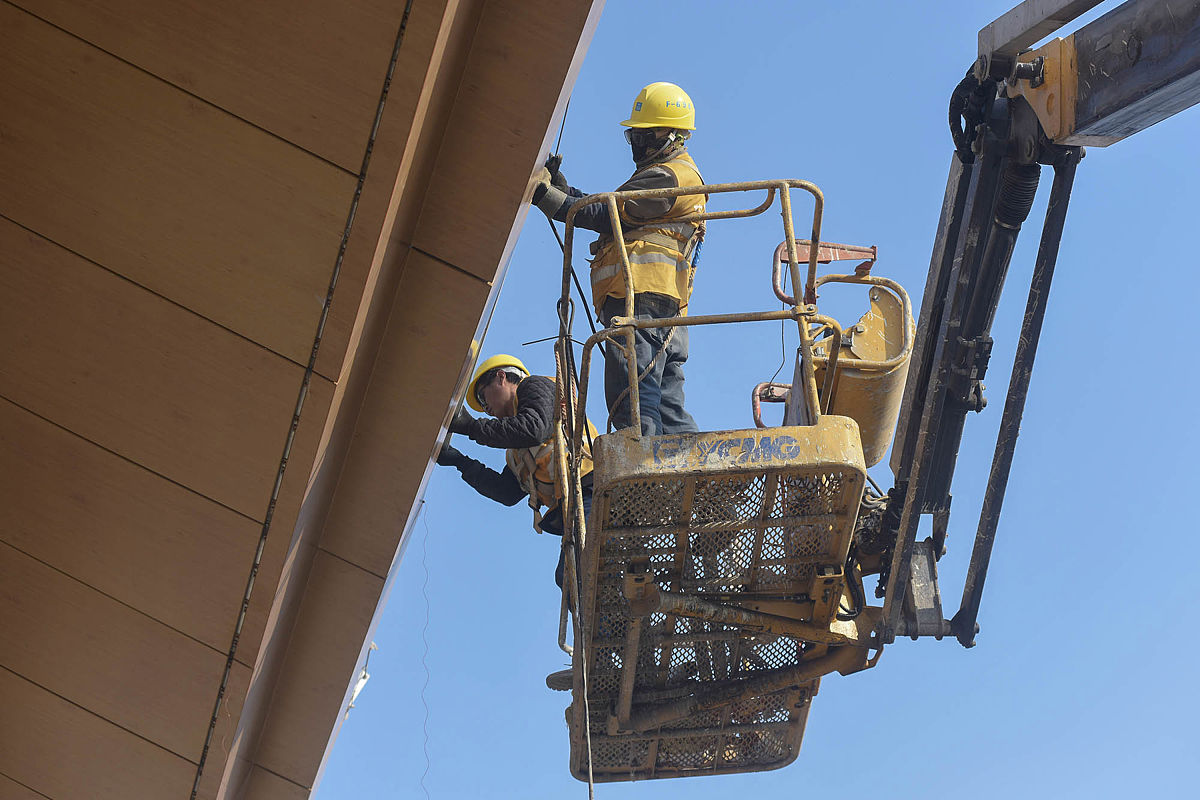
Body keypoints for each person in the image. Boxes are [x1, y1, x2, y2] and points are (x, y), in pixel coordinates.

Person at [532, 81, 707, 436]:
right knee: (667, 405)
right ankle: (693, 473)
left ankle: (641, 466)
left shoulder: (669, 176)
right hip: (665, 306)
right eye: (634, 137)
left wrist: (546, 197)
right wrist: (565, 192)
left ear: (671, 135)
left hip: (640, 299)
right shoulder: (668, 175)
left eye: (644, 136)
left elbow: (604, 213)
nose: (638, 145)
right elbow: (615, 208)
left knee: (633, 394)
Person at [437, 354, 594, 587]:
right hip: (576, 506)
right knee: (569, 580)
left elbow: (533, 429)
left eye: (483, 396)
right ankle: (608, 624)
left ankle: (608, 623)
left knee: (577, 575)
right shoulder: (518, 454)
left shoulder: (534, 387)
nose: (485, 409)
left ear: (501, 377)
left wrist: (471, 427)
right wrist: (460, 462)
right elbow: (507, 492)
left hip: (594, 489)